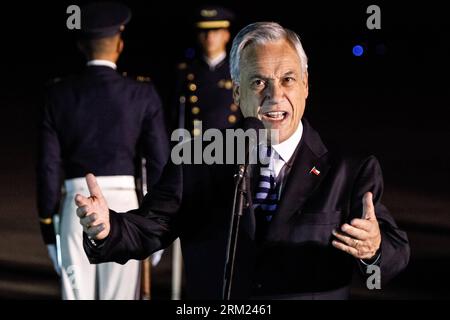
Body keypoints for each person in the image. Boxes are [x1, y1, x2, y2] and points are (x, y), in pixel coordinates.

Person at [75, 22, 410, 299]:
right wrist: (107, 228)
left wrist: (374, 249)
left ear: (306, 85)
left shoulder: (349, 170)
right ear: (237, 93)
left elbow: (392, 257)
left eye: (288, 79)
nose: (275, 95)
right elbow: (148, 229)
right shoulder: (198, 158)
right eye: (259, 81)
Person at [36, 2, 169, 299]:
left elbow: (48, 167)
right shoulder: (142, 94)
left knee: (76, 294)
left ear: (82, 46)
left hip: (76, 203)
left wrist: (48, 224)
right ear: (120, 44)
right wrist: (156, 225)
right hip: (126, 204)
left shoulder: (57, 94)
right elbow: (159, 163)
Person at [172, 5, 242, 135]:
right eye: (204, 31)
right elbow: (175, 116)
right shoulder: (185, 73)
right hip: (195, 147)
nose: (209, 36)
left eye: (215, 31)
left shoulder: (240, 71)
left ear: (226, 35)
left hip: (233, 146)